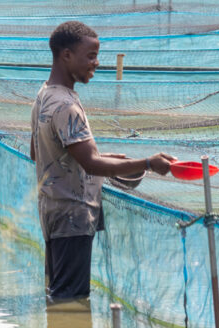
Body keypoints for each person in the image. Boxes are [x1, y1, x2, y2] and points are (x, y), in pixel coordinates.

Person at [30, 21, 176, 307]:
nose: (96, 63)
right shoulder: (67, 106)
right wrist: (148, 163)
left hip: (52, 211)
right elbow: (92, 165)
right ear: (66, 55)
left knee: (58, 292)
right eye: (91, 55)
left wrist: (104, 158)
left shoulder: (45, 95)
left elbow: (41, 152)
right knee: (70, 301)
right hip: (73, 216)